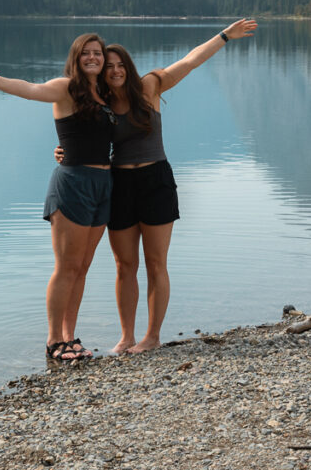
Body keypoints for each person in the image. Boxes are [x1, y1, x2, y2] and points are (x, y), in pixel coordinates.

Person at [56, 19, 257, 353]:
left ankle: (151, 337)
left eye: (121, 65)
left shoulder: (150, 87)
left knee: (156, 263)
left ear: (129, 68)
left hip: (155, 181)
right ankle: (126, 337)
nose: (116, 71)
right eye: (110, 66)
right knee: (124, 266)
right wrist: (63, 151)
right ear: (102, 71)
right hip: (118, 183)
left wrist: (224, 36)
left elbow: (190, 61)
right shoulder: (99, 102)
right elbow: (77, 133)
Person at [0, 34, 114, 363]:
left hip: (103, 184)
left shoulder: (107, 93)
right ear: (76, 57)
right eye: (85, 53)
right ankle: (54, 340)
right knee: (66, 267)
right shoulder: (65, 88)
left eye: (97, 53)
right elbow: (30, 90)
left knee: (83, 267)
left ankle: (71, 336)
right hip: (73, 184)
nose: (92, 58)